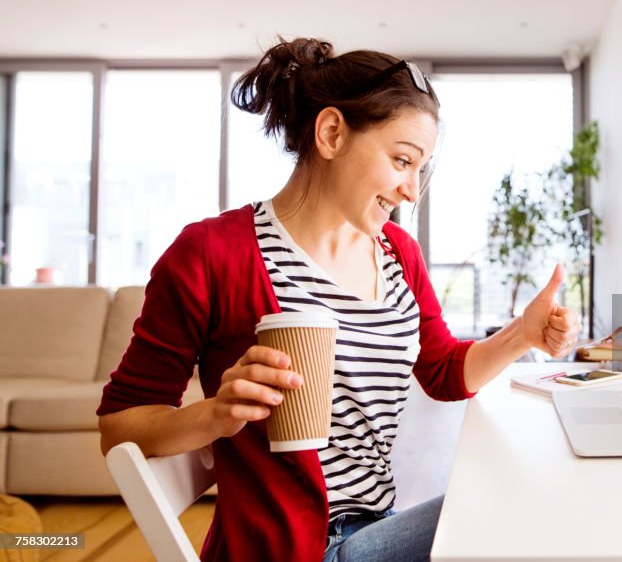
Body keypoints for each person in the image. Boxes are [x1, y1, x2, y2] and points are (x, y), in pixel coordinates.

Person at [97, 37, 580, 562]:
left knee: (527, 494)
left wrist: (522, 335)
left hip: (375, 533)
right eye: (401, 160)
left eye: (422, 169)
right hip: (295, 550)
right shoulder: (213, 254)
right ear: (331, 133)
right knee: (527, 507)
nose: (411, 191)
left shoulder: (399, 254)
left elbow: (442, 372)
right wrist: (214, 416)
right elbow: (120, 424)